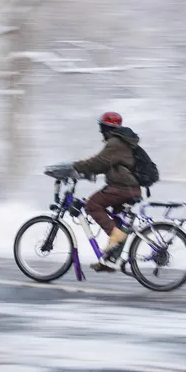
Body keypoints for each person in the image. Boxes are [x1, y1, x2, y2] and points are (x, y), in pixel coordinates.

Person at [72, 111, 142, 271]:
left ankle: (115, 237)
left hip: (123, 188)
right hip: (128, 188)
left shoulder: (115, 143)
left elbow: (99, 163)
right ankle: (109, 261)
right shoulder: (121, 142)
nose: (100, 131)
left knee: (93, 204)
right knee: (119, 224)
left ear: (108, 128)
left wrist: (75, 166)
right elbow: (105, 164)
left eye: (102, 127)